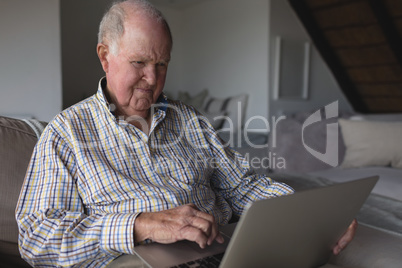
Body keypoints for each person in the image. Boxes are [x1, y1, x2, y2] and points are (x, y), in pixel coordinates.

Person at [16, 0, 356, 267]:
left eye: (162, 64)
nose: (152, 78)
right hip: (134, 260)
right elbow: (36, 239)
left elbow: (243, 186)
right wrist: (141, 225)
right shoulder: (67, 133)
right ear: (106, 57)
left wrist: (308, 215)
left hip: (223, 252)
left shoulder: (191, 121)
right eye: (139, 63)